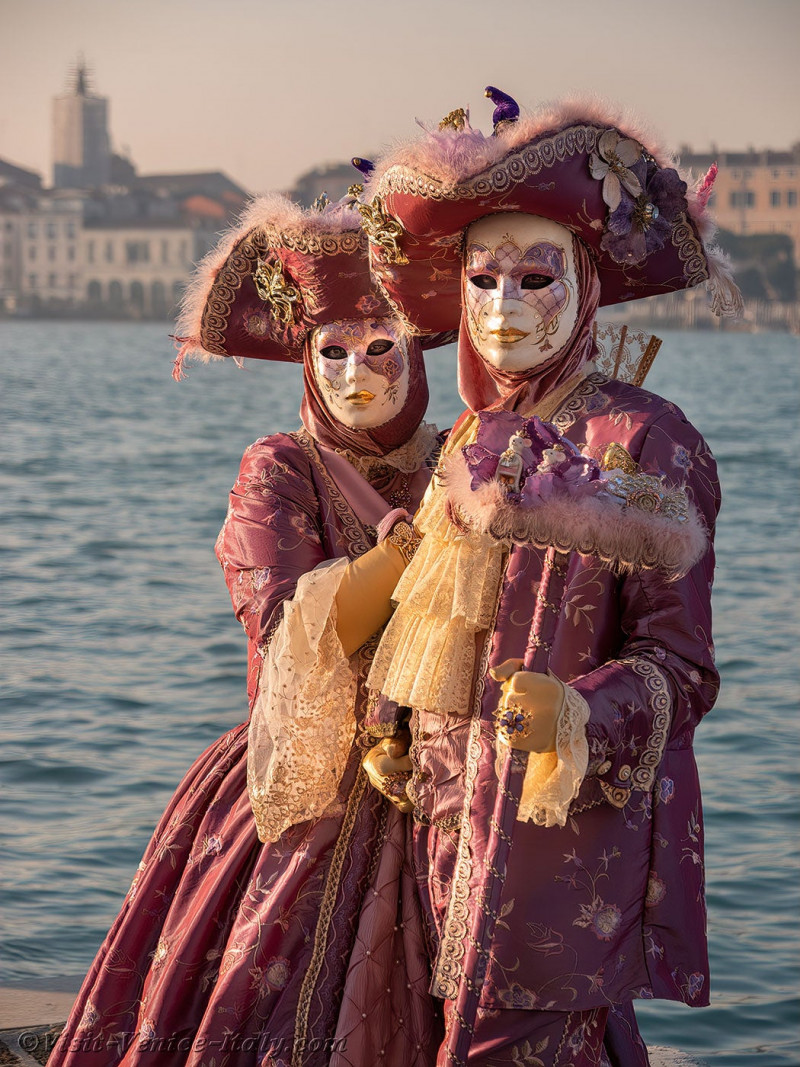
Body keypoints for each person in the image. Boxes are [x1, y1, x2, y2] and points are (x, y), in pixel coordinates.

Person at [355, 99, 741, 1065]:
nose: (500, 307)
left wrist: (578, 713)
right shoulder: (466, 443)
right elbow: (433, 622)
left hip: (556, 850)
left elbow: (680, 667)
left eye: (534, 278)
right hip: (440, 836)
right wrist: (391, 727)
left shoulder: (648, 439)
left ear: (587, 282)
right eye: (480, 280)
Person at [49, 192, 450, 1067]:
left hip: (448, 783)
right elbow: (296, 628)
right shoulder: (281, 468)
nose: (354, 373)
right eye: (330, 352)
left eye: (380, 346)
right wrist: (423, 544)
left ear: (417, 350)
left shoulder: (469, 460)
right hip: (310, 788)